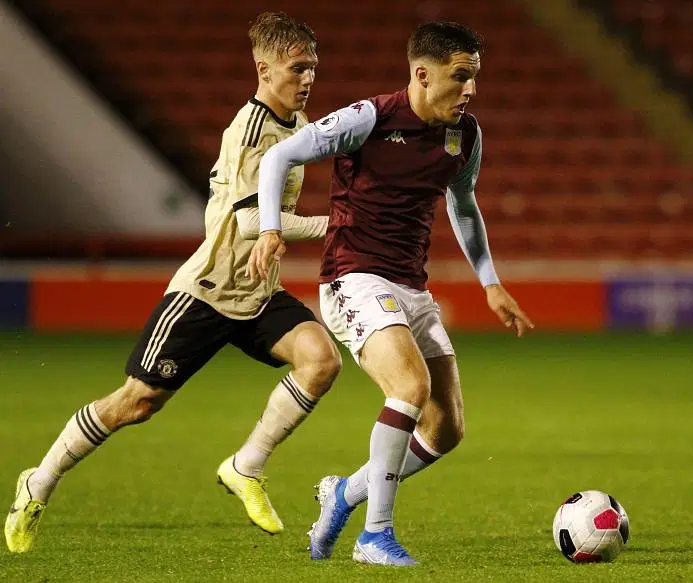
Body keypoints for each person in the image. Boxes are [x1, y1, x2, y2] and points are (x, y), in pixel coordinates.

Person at [5, 12, 340, 554]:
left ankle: (245, 466)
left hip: (255, 293)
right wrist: (338, 224)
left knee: (321, 360)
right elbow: (254, 221)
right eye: (298, 68)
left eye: (313, 68)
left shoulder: (298, 127)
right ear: (264, 68)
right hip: (206, 291)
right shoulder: (251, 132)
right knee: (137, 402)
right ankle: (37, 482)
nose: (308, 79)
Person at [248, 21, 533, 566]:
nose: (471, 89)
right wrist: (269, 228)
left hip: (410, 286)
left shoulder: (465, 135)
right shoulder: (370, 118)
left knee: (445, 430)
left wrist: (491, 282)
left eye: (474, 77)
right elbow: (278, 158)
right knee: (409, 385)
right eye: (461, 76)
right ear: (422, 74)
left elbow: (463, 206)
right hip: (352, 277)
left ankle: (344, 494)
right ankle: (374, 534)